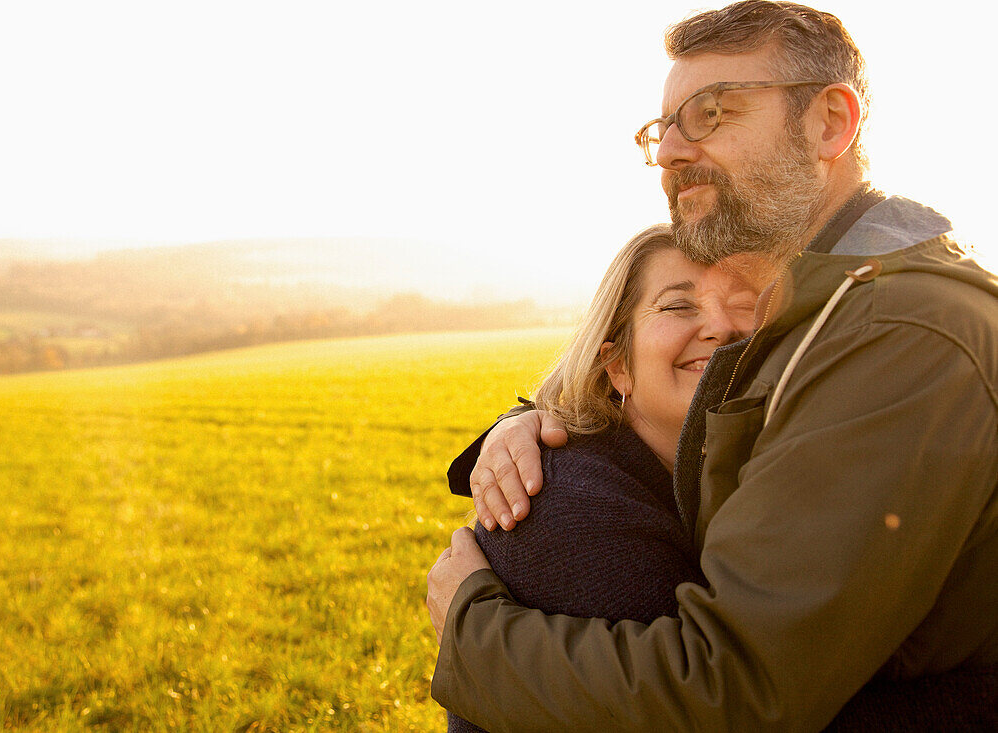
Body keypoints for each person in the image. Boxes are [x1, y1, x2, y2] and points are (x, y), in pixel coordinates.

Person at [426, 1, 998, 730]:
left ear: (830, 123)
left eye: (712, 113)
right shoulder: (820, 317)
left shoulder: (897, 333)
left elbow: (737, 692)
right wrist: (539, 419)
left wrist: (476, 639)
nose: (669, 150)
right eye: (661, 128)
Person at [445, 224, 758, 732]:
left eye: (742, 302)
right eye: (680, 306)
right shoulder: (570, 505)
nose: (721, 327)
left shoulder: (721, 479)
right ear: (617, 367)